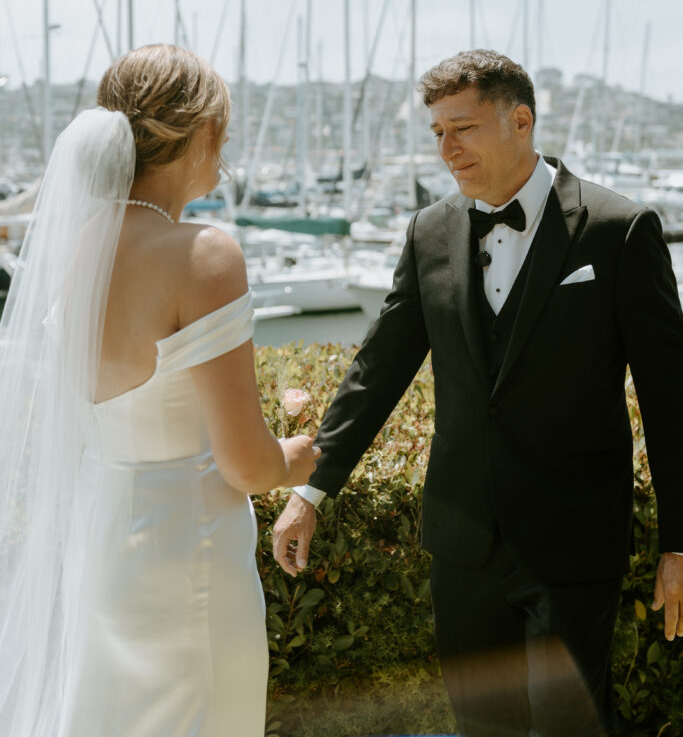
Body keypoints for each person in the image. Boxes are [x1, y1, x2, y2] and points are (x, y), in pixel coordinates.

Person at [273, 50, 683, 736]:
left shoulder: (618, 230)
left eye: (460, 127)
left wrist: (679, 542)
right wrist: (310, 490)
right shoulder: (428, 232)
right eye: (435, 132)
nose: (445, 148)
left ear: (519, 120)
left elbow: (669, 394)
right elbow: (379, 367)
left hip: (573, 542)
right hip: (462, 543)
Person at [0, 44, 319, 737]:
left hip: (102, 536)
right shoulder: (202, 253)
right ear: (204, 132)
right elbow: (246, 466)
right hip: (187, 550)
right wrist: (303, 454)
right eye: (223, 132)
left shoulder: (74, 247)